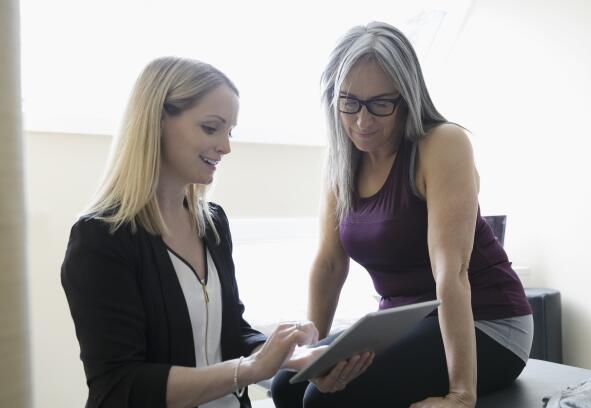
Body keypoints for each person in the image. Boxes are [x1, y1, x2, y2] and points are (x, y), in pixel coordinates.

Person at [60, 57, 373, 408]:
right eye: (211, 128)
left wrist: (290, 355)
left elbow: (231, 333)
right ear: (158, 121)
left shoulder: (212, 224)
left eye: (229, 131)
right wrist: (252, 367)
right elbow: (119, 386)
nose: (225, 147)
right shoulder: (100, 239)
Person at [270, 22, 534, 408]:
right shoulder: (342, 161)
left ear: (407, 98)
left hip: (488, 322)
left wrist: (461, 395)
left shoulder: (442, 144)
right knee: (287, 385)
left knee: (325, 402)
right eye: (349, 102)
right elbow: (329, 265)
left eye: (380, 104)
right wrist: (315, 354)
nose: (363, 121)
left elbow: (451, 272)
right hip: (402, 323)